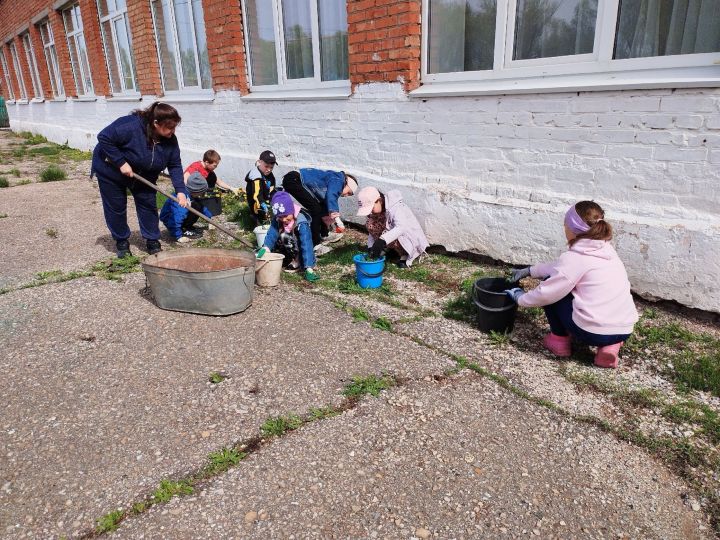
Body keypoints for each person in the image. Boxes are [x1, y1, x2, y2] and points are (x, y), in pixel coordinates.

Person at [505, 201, 638, 368]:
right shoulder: (607, 251)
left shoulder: (575, 258)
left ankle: (558, 340)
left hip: (590, 332)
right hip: (624, 330)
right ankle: (610, 347)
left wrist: (521, 298)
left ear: (572, 229)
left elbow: (548, 292)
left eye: (565, 226)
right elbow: (561, 268)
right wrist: (530, 270)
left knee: (553, 287)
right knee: (568, 285)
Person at [91, 101, 185, 257]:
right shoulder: (130, 126)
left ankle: (152, 240)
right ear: (156, 123)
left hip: (144, 174)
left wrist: (180, 190)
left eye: (175, 127)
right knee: (116, 206)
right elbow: (104, 137)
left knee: (148, 204)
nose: (172, 131)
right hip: (110, 170)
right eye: (169, 127)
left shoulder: (170, 140)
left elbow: (175, 165)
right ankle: (121, 242)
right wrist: (120, 162)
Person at [281, 168, 358, 255]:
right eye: (349, 192)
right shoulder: (339, 180)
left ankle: (324, 235)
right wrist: (337, 219)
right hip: (294, 180)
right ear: (346, 183)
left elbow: (326, 200)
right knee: (315, 210)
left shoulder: (336, 178)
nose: (346, 195)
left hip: (294, 179)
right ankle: (315, 245)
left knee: (320, 206)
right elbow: (331, 196)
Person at [356, 186, 429, 268]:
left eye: (371, 208)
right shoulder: (376, 211)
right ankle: (391, 250)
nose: (370, 212)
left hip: (408, 237)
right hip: (391, 237)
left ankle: (404, 254)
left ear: (379, 201)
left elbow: (401, 227)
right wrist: (371, 246)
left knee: (395, 232)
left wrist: (382, 240)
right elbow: (371, 231)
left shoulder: (396, 207)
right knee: (371, 223)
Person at [256, 191, 319, 282]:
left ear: (292, 210)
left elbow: (306, 244)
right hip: (290, 246)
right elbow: (271, 233)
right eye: (280, 217)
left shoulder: (301, 222)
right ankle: (284, 257)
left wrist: (309, 267)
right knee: (278, 236)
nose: (284, 219)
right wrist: (266, 247)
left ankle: (299, 261)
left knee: (284, 236)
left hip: (302, 250)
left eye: (285, 216)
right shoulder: (278, 219)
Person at [159, 172, 212, 243]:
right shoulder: (183, 200)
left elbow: (202, 207)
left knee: (197, 205)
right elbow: (176, 218)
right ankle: (181, 230)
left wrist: (209, 219)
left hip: (177, 216)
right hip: (169, 219)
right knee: (185, 211)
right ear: (196, 191)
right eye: (202, 192)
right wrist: (178, 236)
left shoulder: (191, 194)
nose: (203, 194)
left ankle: (186, 226)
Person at [244, 150, 277, 225]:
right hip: (255, 200)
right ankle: (256, 217)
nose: (269, 169)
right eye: (266, 166)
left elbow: (272, 188)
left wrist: (272, 200)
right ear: (259, 162)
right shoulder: (256, 177)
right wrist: (264, 206)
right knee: (261, 215)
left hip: (265, 196)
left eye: (271, 167)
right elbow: (257, 196)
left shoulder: (269, 174)